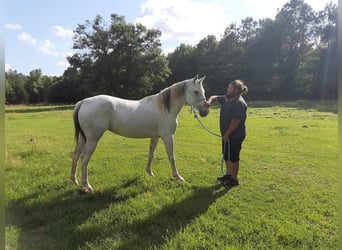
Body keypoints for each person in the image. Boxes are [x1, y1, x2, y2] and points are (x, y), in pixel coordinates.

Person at [205, 80, 248, 187]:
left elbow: (235, 122)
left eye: (230, 88)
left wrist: (227, 134)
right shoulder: (227, 98)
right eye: (228, 87)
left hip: (235, 135)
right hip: (227, 134)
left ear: (237, 90)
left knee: (233, 157)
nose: (227, 89)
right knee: (226, 155)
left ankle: (234, 180)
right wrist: (209, 102)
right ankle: (228, 175)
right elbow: (214, 97)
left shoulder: (239, 103)